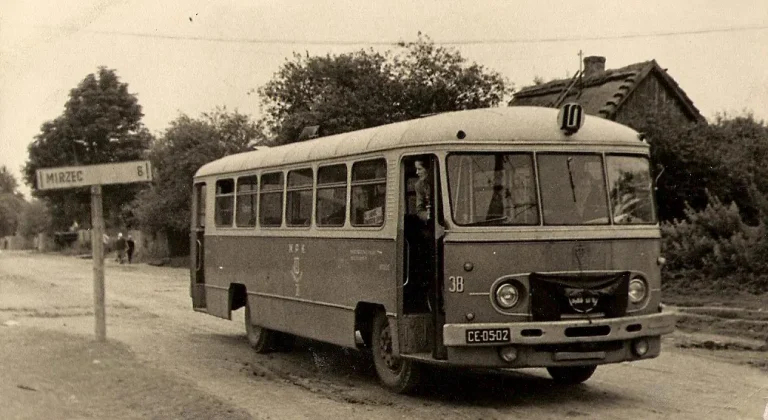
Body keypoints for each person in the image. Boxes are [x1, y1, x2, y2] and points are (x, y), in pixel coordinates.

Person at [414, 158, 432, 223]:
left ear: (428, 169)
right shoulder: (419, 186)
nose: (417, 172)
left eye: (419, 169)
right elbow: (419, 209)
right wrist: (428, 216)